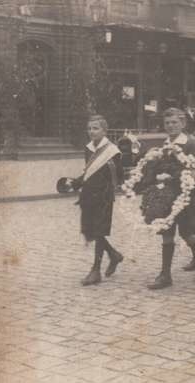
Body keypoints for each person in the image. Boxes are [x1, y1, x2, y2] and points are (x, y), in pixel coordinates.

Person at [143, 108, 195, 290]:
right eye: (167, 123)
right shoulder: (165, 144)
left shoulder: (189, 143)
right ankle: (165, 275)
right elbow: (161, 165)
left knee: (187, 233)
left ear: (183, 124)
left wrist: (172, 174)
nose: (171, 126)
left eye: (174, 123)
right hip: (166, 195)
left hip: (184, 194)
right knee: (166, 233)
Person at [73, 115, 124, 286]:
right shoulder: (88, 148)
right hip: (88, 195)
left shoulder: (112, 151)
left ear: (104, 130)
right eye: (89, 128)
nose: (91, 132)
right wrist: (76, 182)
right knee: (91, 231)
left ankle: (96, 271)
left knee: (99, 231)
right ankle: (114, 255)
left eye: (95, 128)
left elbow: (118, 177)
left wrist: (107, 191)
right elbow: (89, 172)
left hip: (103, 196)